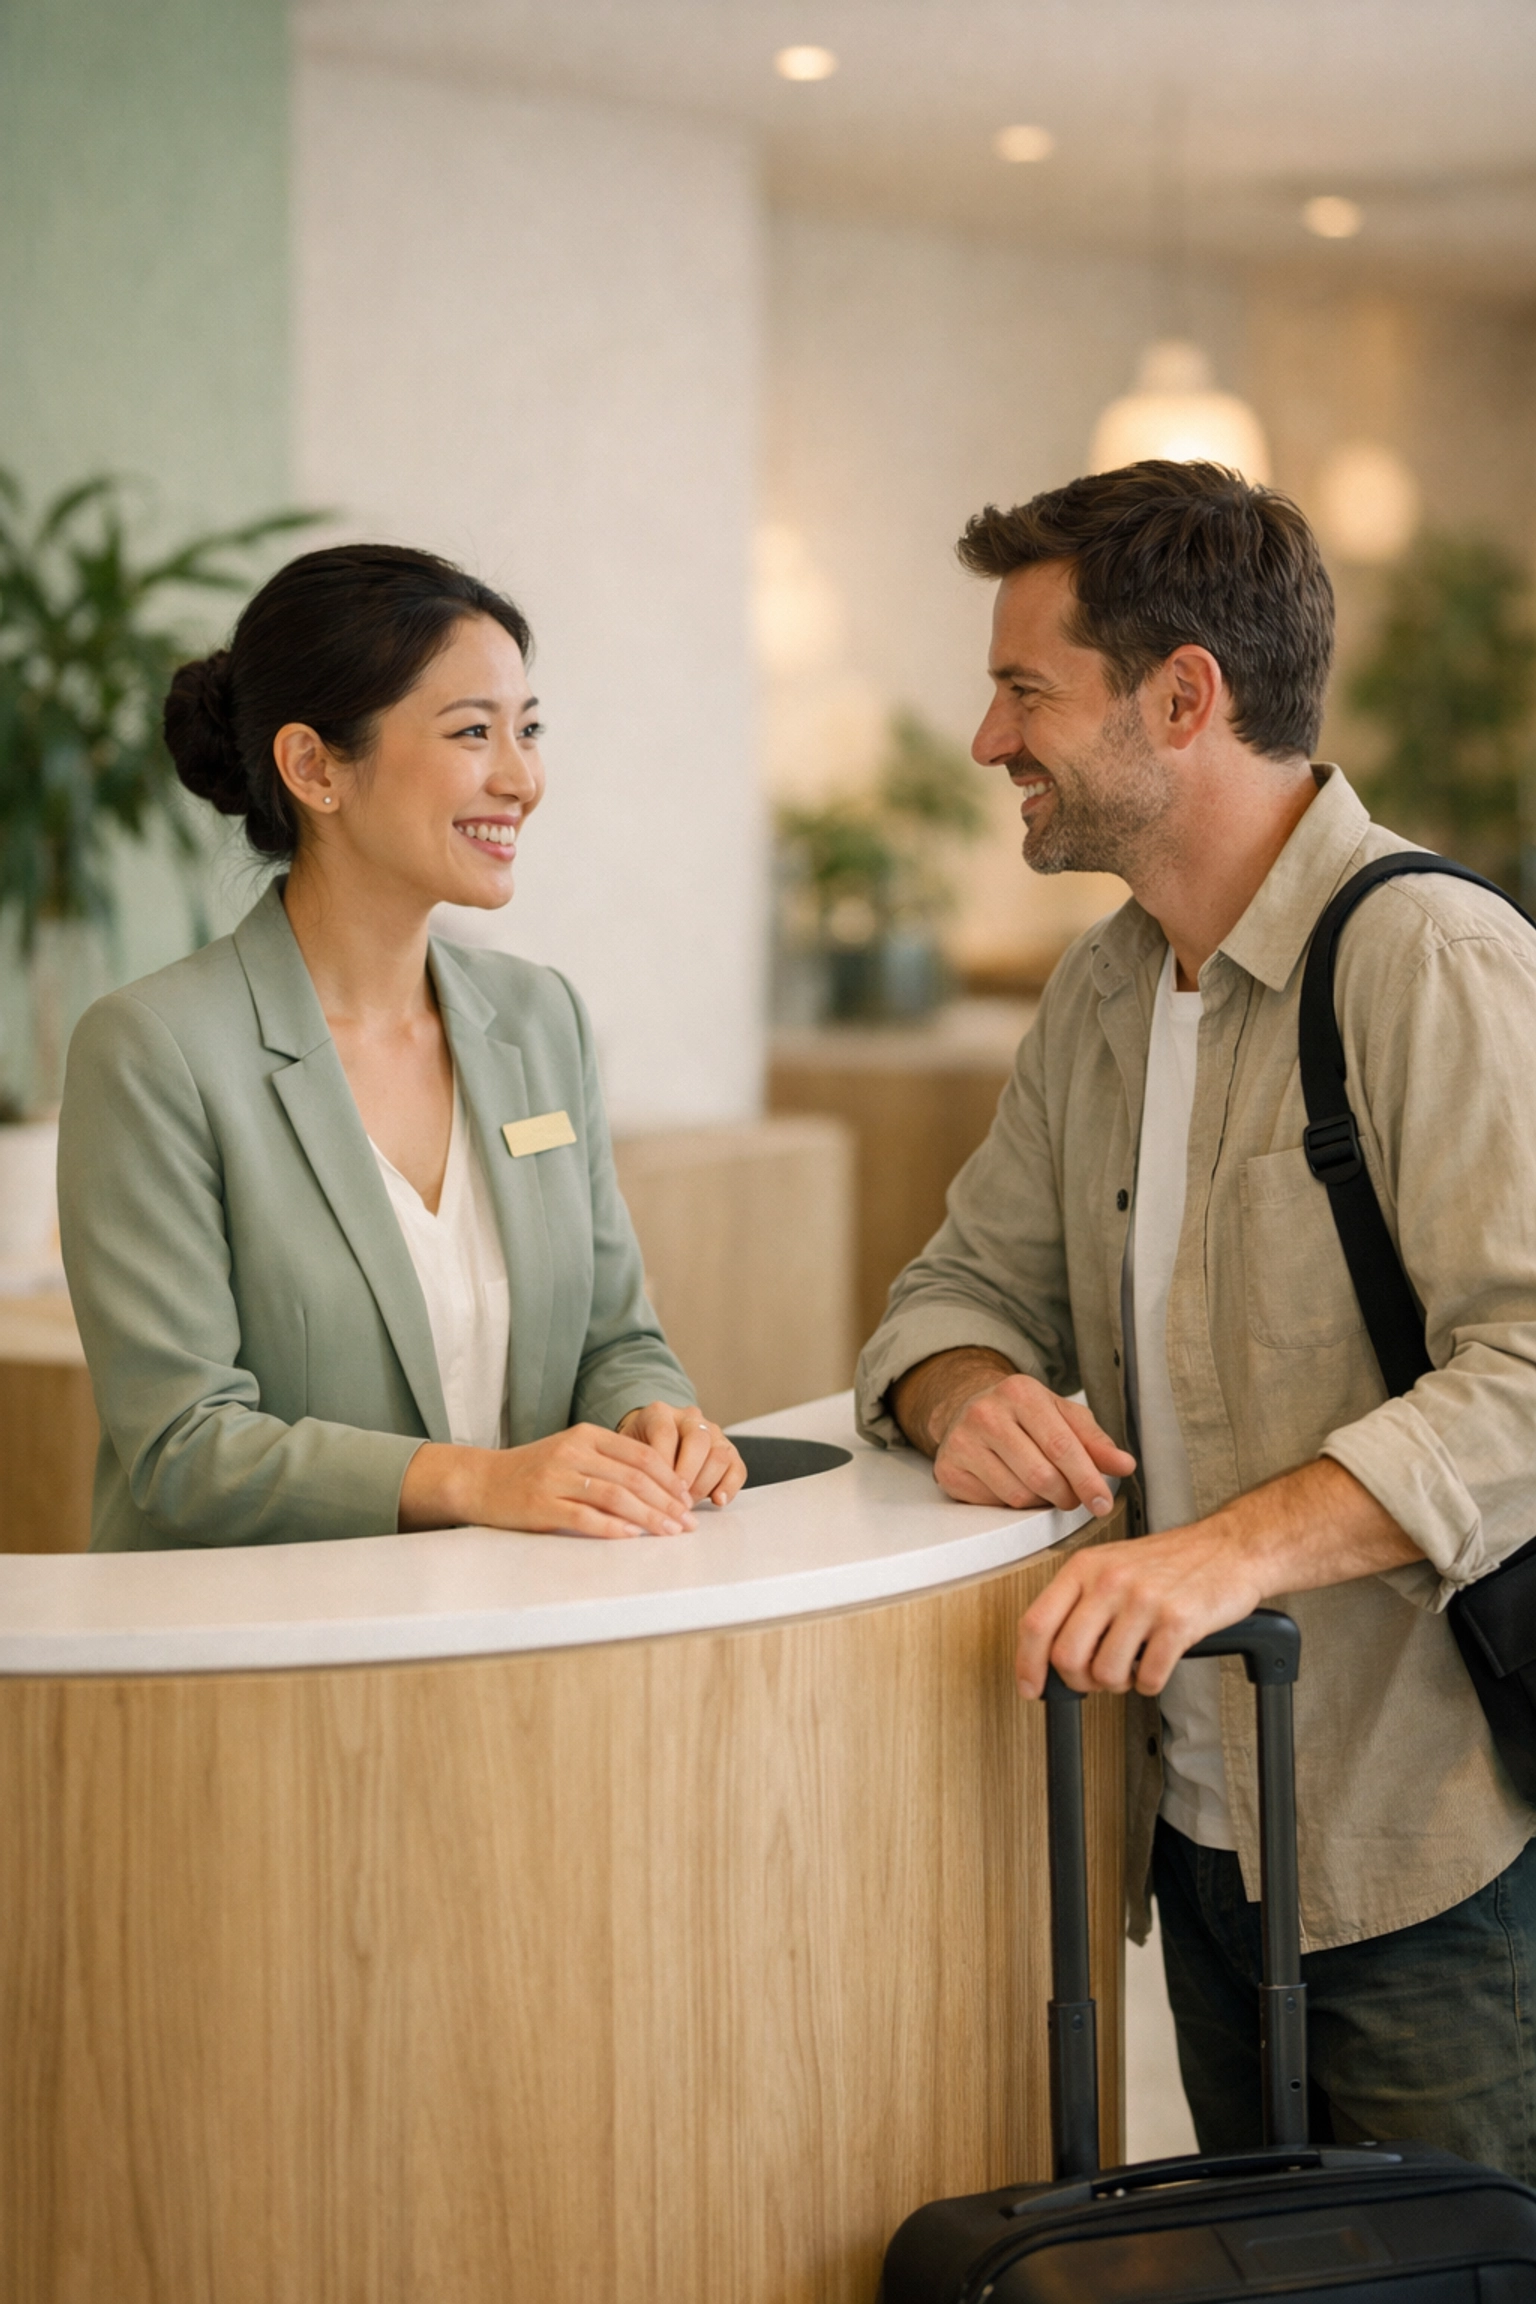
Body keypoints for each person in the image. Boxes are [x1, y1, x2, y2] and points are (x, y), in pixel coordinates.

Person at [856, 461, 1536, 2176]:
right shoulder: (1099, 992)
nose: (985, 739)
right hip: (1201, 1844)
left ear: (1182, 696)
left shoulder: (1427, 958)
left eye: (1024, 687)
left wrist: (1221, 1552)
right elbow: (949, 1293)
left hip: (1434, 1855)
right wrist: (961, 1387)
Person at [58, 543, 745, 1551]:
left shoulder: (540, 1019)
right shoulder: (154, 1050)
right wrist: (481, 1481)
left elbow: (615, 1337)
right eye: (474, 732)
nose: (521, 779)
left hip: (520, 1635)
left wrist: (652, 1417)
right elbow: (182, 1444)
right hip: (260, 1669)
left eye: (528, 730)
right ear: (314, 767)